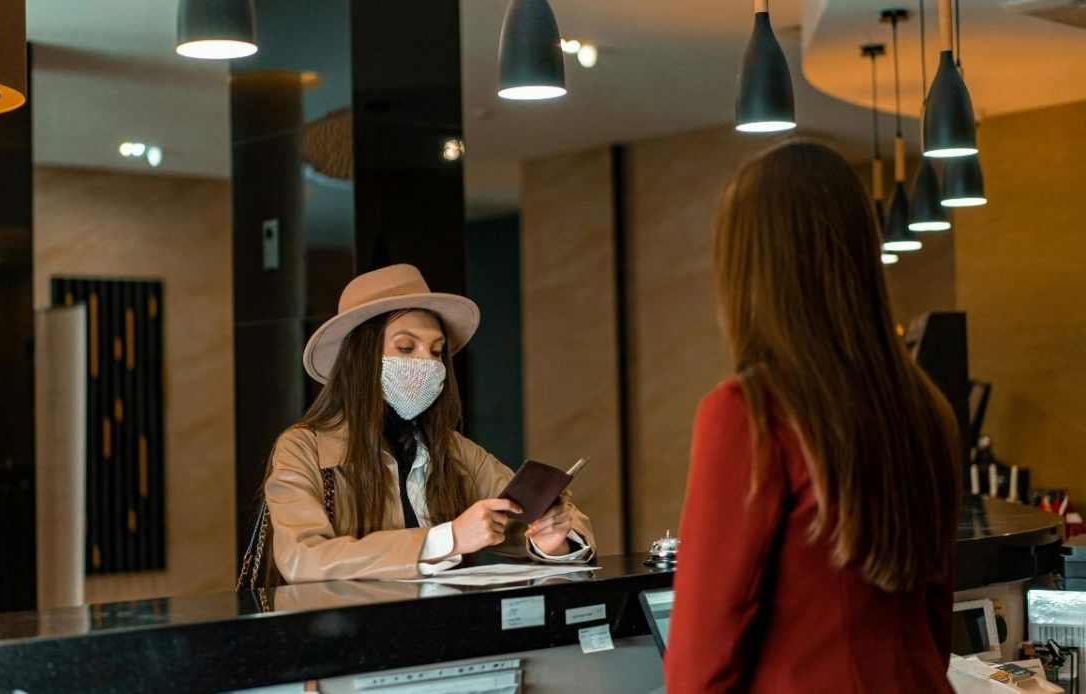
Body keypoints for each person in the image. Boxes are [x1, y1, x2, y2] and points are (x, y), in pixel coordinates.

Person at [664, 142, 961, 692]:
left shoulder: (748, 413)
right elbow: (935, 626)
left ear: (747, 267)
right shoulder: (927, 408)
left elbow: (700, 661)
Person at [264, 264, 593, 583]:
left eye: (437, 352)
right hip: (351, 631)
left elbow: (529, 516)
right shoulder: (303, 448)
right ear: (360, 358)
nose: (427, 362)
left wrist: (552, 542)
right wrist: (447, 539)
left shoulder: (451, 449)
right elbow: (302, 558)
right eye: (406, 347)